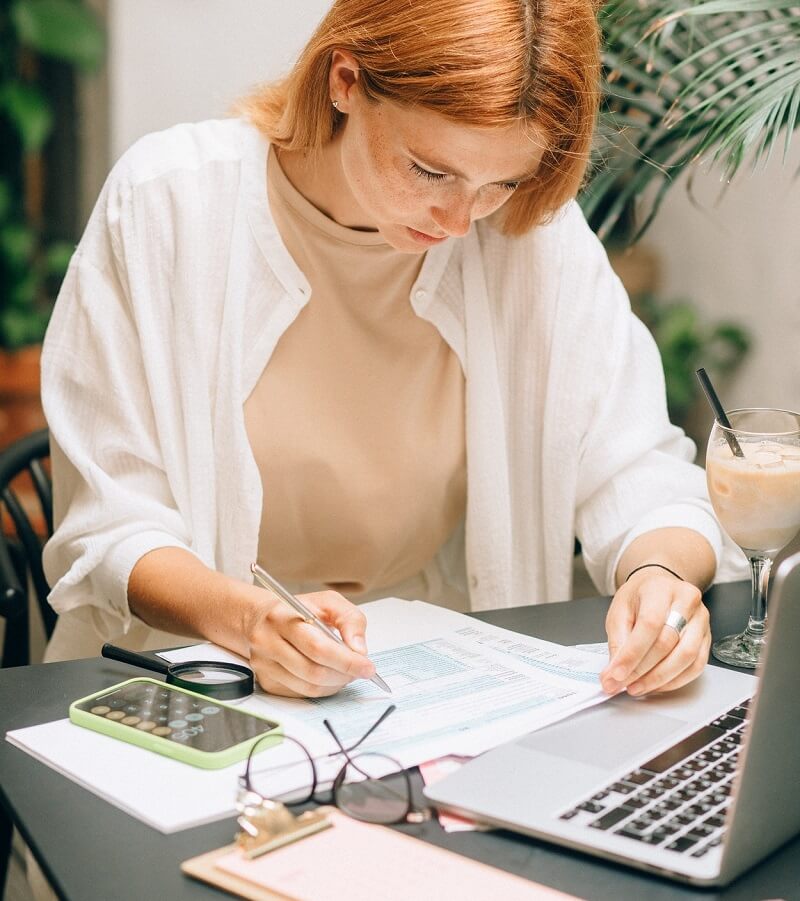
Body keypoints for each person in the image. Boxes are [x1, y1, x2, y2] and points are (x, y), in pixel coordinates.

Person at [40, 0, 745, 703]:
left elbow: (640, 470)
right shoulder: (168, 204)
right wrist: (251, 622)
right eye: (430, 171)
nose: (460, 220)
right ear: (344, 82)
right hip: (186, 683)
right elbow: (112, 525)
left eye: (502, 183)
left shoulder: (529, 240)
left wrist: (661, 577)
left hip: (420, 692)